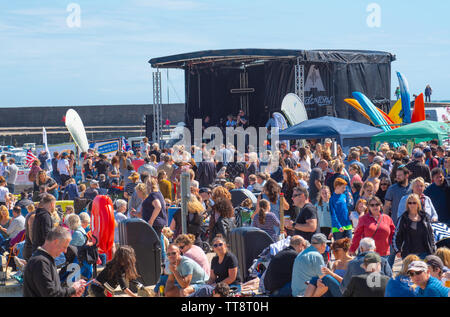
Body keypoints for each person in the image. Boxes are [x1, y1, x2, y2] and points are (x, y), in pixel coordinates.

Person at [23, 226, 86, 297]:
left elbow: (53, 290)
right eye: (64, 247)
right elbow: (51, 294)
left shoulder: (44, 260)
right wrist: (73, 290)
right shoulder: (40, 262)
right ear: (56, 242)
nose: (65, 251)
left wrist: (71, 294)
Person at [393, 193, 436, 259]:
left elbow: (431, 234)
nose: (412, 205)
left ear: (418, 204)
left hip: (425, 253)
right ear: (407, 204)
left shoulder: (425, 217)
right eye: (410, 203)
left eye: (414, 203)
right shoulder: (403, 218)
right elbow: (396, 235)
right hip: (408, 254)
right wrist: (397, 250)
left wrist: (433, 248)